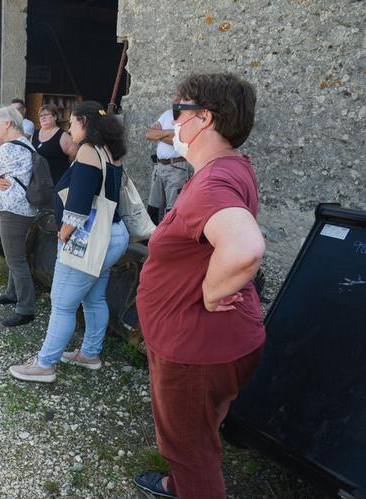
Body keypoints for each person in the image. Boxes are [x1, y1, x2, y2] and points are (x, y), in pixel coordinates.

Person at [133, 73, 265, 499]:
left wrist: (210, 291)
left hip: (195, 350)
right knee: (198, 434)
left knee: (190, 449)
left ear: (203, 118)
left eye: (178, 112)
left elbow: (244, 246)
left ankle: (191, 486)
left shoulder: (211, 181)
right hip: (209, 345)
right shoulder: (229, 167)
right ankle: (181, 484)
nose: (172, 124)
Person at [8, 101, 129, 382]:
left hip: (89, 238)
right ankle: (90, 353)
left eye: (72, 123)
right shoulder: (111, 151)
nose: (69, 128)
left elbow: (79, 204)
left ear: (85, 122)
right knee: (94, 297)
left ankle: (45, 364)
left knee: (62, 303)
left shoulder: (88, 150)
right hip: (113, 233)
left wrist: (63, 237)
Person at [0, 105, 38, 327]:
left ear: (7, 123)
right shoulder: (26, 144)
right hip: (25, 209)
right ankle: (12, 292)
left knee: (15, 259)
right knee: (15, 255)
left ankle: (26, 308)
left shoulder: (8, 149)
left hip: (13, 211)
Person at [145, 95, 192, 225]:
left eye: (179, 97)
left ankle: (171, 239)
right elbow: (149, 133)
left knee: (174, 208)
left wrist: (159, 134)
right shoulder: (167, 114)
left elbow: (180, 140)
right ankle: (152, 238)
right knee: (154, 206)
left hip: (177, 168)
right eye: (175, 97)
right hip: (159, 167)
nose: (175, 100)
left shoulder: (188, 117)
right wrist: (170, 133)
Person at [32, 104, 77, 185]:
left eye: (46, 114)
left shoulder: (63, 136)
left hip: (56, 182)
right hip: (38, 183)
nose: (43, 117)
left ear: (55, 117)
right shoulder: (34, 134)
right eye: (41, 115)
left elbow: (73, 155)